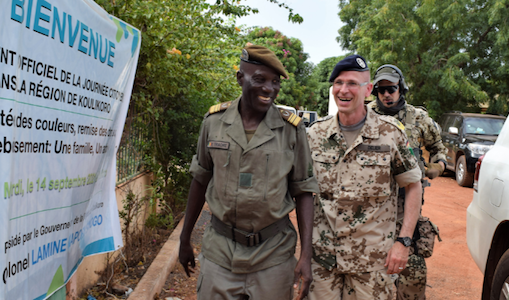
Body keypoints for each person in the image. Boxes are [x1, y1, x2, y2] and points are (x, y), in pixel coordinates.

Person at [178, 44, 319, 300]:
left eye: (275, 82)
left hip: (273, 256)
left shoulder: (291, 131)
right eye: (259, 79)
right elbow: (200, 180)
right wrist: (184, 238)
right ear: (240, 78)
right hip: (220, 252)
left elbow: (304, 191)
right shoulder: (214, 123)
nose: (269, 88)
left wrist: (306, 256)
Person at [306, 55, 423, 299]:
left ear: (368, 90)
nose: (343, 90)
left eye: (352, 83)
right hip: (323, 261)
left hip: (373, 262)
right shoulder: (315, 135)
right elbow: (301, 191)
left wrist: (404, 241)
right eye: (338, 83)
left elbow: (413, 186)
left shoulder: (390, 134)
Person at [367, 64, 448, 300]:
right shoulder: (366, 116)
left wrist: (436, 167)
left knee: (411, 273)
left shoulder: (419, 118)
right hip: (372, 209)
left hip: (407, 208)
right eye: (381, 90)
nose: (386, 94)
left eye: (391, 88)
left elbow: (438, 149)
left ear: (401, 89)